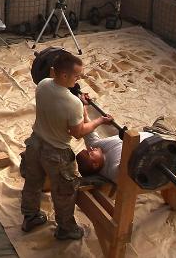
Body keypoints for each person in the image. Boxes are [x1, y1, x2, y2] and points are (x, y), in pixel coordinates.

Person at [20, 49, 113, 240]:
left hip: (35, 144)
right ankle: (66, 229)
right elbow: (78, 133)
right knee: (64, 192)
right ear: (63, 74)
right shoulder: (73, 104)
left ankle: (30, 217)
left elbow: (59, 99)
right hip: (57, 154)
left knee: (32, 182)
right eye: (76, 76)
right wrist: (99, 121)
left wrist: (80, 103)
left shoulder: (43, 84)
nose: (78, 79)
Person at [75, 116, 176, 221]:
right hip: (170, 152)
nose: (90, 149)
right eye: (90, 154)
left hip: (157, 133)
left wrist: (82, 104)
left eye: (88, 150)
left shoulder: (97, 147)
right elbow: (129, 175)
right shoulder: (115, 170)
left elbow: (88, 133)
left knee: (166, 118)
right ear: (96, 165)